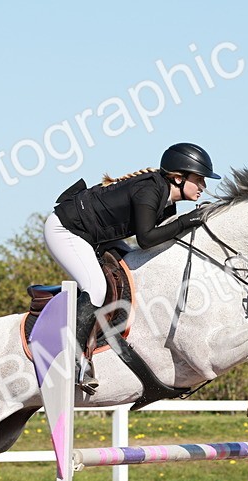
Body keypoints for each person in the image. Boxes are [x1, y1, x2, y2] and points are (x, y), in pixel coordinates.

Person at [43, 143, 219, 389]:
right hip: (67, 230)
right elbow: (146, 239)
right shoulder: (149, 191)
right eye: (199, 180)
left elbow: (159, 241)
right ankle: (72, 360)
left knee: (135, 270)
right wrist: (187, 221)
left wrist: (189, 223)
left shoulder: (166, 200)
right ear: (178, 178)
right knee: (95, 287)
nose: (203, 187)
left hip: (95, 235)